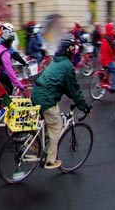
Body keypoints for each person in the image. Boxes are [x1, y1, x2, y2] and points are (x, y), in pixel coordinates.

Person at [31, 34, 92, 169]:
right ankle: (50, 160)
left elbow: (63, 85)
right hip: (46, 99)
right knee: (56, 126)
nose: (75, 50)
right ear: (68, 50)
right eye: (73, 48)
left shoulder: (56, 61)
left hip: (36, 94)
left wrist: (71, 95)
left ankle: (32, 144)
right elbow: (74, 90)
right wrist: (85, 107)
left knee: (46, 122)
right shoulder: (67, 66)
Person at [0, 23, 25, 95]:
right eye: (11, 42)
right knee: (7, 90)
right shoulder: (4, 51)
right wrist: (20, 86)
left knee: (6, 89)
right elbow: (9, 68)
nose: (11, 44)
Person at [101, 22, 115, 93]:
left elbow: (112, 48)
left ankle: (106, 80)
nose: (113, 30)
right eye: (112, 28)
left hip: (104, 59)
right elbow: (112, 49)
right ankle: (113, 87)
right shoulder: (108, 39)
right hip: (107, 61)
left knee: (110, 68)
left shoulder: (106, 38)